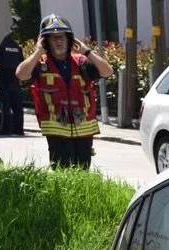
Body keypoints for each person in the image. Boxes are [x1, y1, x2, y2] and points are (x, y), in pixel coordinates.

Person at [15, 14, 113, 169]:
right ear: (45, 41)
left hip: (84, 131)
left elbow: (107, 71)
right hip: (56, 132)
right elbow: (21, 74)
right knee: (62, 175)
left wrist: (87, 52)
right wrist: (37, 53)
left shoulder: (81, 62)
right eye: (53, 38)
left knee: (83, 175)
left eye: (61, 37)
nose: (59, 41)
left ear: (69, 39)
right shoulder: (41, 65)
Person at [0, 31, 26, 135]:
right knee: (17, 106)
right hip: (15, 77)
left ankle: (5, 129)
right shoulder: (17, 46)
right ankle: (19, 129)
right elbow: (22, 62)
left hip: (3, 77)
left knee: (5, 105)